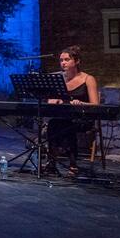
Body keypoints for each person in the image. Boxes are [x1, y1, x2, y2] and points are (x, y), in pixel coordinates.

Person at [47, 45, 100, 175]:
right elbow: (50, 100)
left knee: (65, 124)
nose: (63, 63)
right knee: (54, 123)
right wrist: (54, 101)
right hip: (63, 116)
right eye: (61, 60)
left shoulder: (88, 79)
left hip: (83, 117)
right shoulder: (59, 79)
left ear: (77, 61)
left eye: (67, 59)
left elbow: (95, 104)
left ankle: (72, 162)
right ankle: (51, 162)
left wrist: (81, 103)